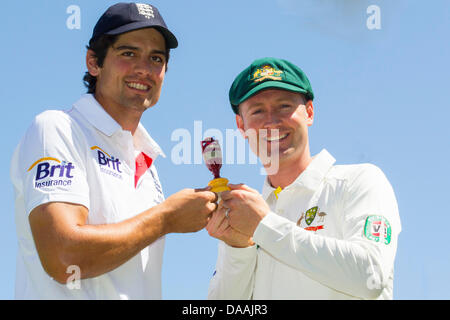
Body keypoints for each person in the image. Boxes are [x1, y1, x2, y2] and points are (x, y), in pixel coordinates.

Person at [10, 2, 217, 299]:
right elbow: (63, 257)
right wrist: (166, 219)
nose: (144, 69)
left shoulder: (149, 163)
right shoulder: (57, 128)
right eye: (128, 53)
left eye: (156, 59)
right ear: (94, 62)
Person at [206, 57, 401, 299]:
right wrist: (237, 248)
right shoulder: (248, 216)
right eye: (257, 111)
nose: (272, 121)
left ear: (309, 112)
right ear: (241, 126)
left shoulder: (360, 181)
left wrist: (264, 225)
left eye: (284, 106)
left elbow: (371, 276)